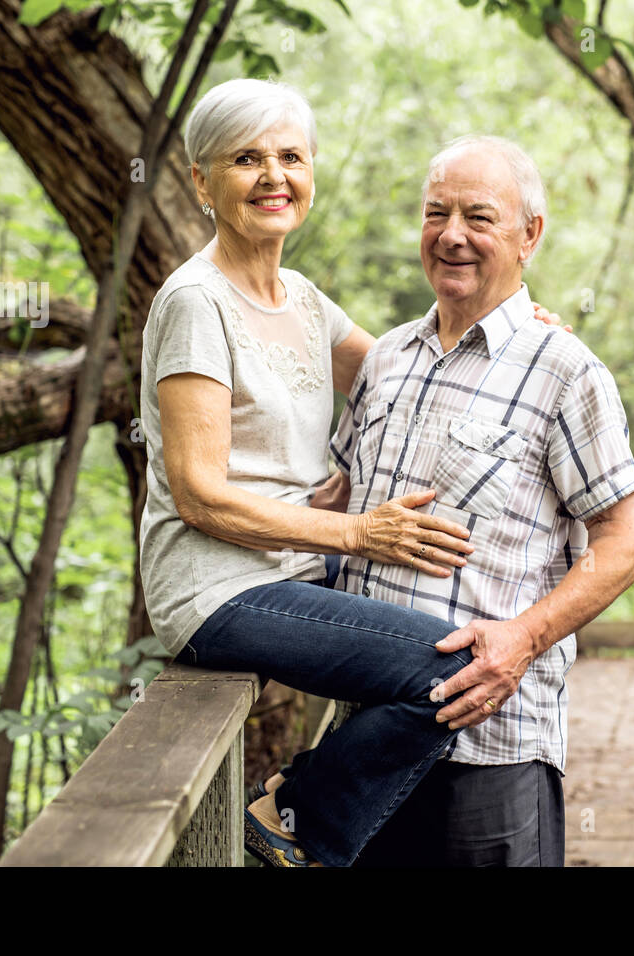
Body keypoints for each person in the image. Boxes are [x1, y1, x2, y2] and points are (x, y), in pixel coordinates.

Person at [138, 79, 560, 867]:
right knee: (463, 665)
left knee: (450, 632)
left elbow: (413, 365)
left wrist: (518, 319)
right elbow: (198, 494)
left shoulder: (299, 300)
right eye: (246, 159)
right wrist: (360, 532)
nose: (273, 177)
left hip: (293, 571)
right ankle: (299, 819)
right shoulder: (196, 304)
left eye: (290, 157)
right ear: (202, 181)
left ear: (311, 172)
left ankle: (437, 802)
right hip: (216, 588)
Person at [318, 135, 634, 866]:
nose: (452, 236)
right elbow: (329, 506)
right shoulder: (387, 361)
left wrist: (524, 639)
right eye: (436, 214)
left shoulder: (566, 372)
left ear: (530, 235)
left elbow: (624, 541)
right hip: (365, 743)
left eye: (480, 217)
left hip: (491, 744)